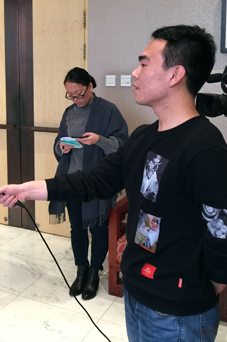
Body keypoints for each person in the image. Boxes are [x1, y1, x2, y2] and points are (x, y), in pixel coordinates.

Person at [0, 25, 227, 341]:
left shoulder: (205, 149)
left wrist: (206, 286)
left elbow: (224, 234)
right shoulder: (143, 137)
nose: (134, 73)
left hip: (177, 312)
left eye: (144, 64)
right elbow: (95, 181)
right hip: (136, 291)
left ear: (175, 74)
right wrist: (27, 189)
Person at [52, 67, 128, 300]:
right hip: (72, 180)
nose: (76, 99)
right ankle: (81, 270)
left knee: (98, 229)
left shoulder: (108, 110)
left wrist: (99, 140)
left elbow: (122, 143)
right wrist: (62, 147)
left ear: (90, 86)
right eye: (71, 96)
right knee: (77, 228)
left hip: (97, 181)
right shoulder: (69, 113)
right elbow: (58, 143)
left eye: (79, 94)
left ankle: (94, 273)